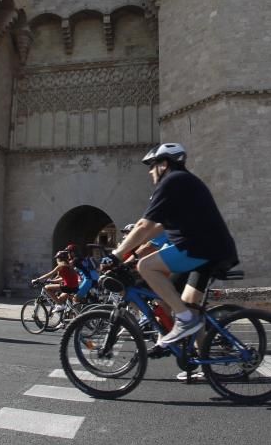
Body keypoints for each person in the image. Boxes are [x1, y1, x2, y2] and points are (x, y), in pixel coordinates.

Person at [102, 143, 238, 346]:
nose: (149, 171)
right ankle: (202, 363)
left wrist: (116, 255)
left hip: (201, 249)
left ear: (164, 164)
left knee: (146, 266)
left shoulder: (171, 182)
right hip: (213, 251)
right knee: (189, 306)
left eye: (152, 165)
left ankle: (183, 320)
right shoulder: (182, 183)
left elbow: (143, 226)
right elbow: (158, 226)